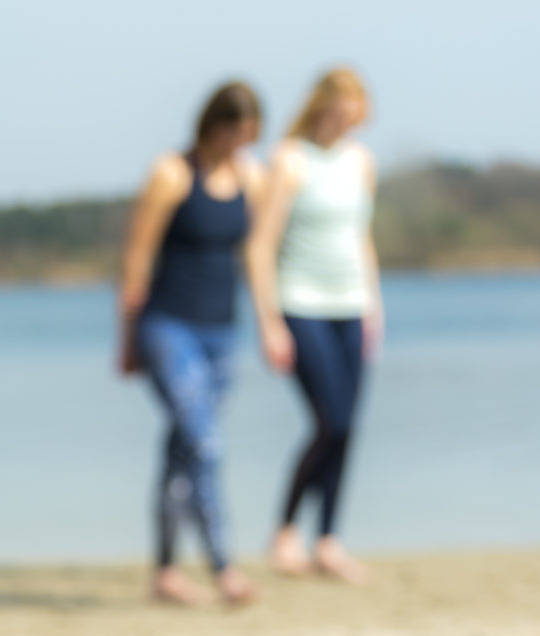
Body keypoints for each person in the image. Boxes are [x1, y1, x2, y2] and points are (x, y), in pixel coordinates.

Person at [118, 81, 266, 606]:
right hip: (167, 328)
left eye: (251, 137)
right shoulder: (171, 174)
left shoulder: (250, 175)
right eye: (236, 134)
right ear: (215, 125)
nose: (241, 146)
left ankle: (165, 573)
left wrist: (270, 323)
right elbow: (137, 259)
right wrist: (127, 339)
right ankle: (224, 567)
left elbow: (256, 258)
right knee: (205, 444)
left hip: (222, 332)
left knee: (184, 450)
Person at [247, 67, 380, 584]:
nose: (349, 114)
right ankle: (284, 532)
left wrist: (375, 305)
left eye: (358, 104)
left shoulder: (361, 161)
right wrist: (269, 323)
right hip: (301, 304)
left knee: (349, 427)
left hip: (352, 304)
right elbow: (261, 245)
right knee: (330, 420)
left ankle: (328, 541)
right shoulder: (289, 159)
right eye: (341, 103)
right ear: (322, 104)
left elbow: (361, 237)